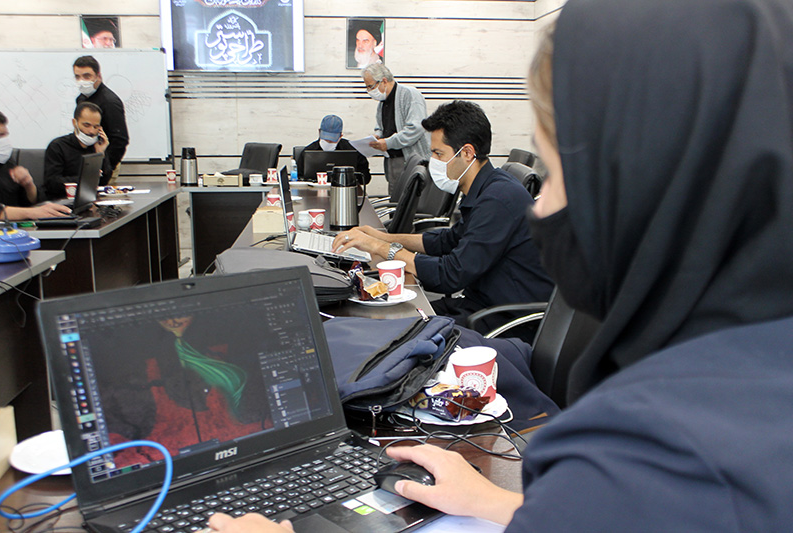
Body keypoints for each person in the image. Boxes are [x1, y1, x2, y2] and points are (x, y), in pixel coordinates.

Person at [204, 0, 793, 530]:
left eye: (558, 173)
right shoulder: (748, 384)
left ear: (641, 182)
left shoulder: (644, 455)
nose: (543, 204)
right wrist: (497, 502)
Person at [334, 100, 554, 328]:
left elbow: (451, 275)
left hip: (504, 320)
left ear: (467, 153)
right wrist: (383, 237)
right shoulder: (485, 188)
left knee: (392, 326)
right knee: (386, 317)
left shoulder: (498, 199)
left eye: (439, 153)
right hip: (478, 304)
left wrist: (380, 248)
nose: (434, 161)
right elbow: (447, 240)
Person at [363, 63, 430, 196]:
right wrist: (378, 136)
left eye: (371, 86)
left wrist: (388, 142)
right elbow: (380, 127)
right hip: (392, 161)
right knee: (395, 202)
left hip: (412, 160)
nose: (369, 91)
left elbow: (416, 128)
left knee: (413, 201)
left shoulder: (409, 94)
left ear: (383, 81)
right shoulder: (383, 102)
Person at [0, 108, 71, 221]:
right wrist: (30, 212)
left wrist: (28, 185)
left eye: (5, 135)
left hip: (16, 227)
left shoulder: (4, 161)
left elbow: (31, 201)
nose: (4, 141)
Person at [73, 55, 129, 179]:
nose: (82, 81)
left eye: (87, 76)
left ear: (98, 76)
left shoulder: (110, 102)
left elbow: (120, 140)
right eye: (77, 77)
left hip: (104, 163)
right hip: (85, 160)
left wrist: (107, 167)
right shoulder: (81, 98)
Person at [44, 102, 112, 200]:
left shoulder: (97, 147)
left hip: (91, 199)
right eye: (86, 125)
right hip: (62, 200)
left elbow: (104, 182)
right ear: (74, 123)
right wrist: (86, 178)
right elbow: (52, 183)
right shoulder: (58, 146)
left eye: (96, 127)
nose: (91, 131)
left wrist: (101, 154)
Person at [300, 114, 372, 184]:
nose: (328, 142)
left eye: (332, 140)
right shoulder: (308, 152)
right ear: (319, 132)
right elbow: (300, 178)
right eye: (326, 139)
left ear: (340, 136)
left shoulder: (353, 150)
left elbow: (365, 179)